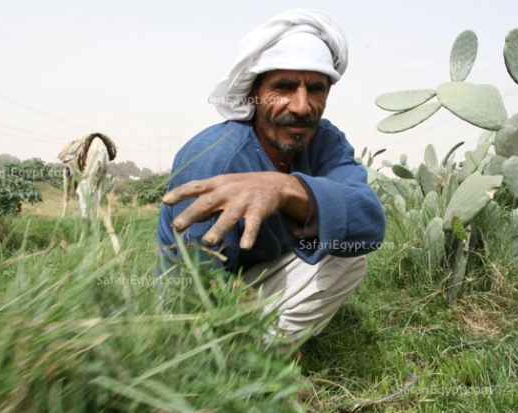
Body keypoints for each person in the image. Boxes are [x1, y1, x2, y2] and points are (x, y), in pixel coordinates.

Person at [156, 9, 386, 344]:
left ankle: (270, 350)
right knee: (196, 335)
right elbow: (196, 288)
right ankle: (245, 366)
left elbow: (369, 223)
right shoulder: (215, 160)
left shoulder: (324, 142)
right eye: (284, 86)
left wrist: (282, 188)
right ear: (254, 92)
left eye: (316, 88)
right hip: (194, 305)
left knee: (347, 254)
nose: (302, 106)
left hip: (253, 285)